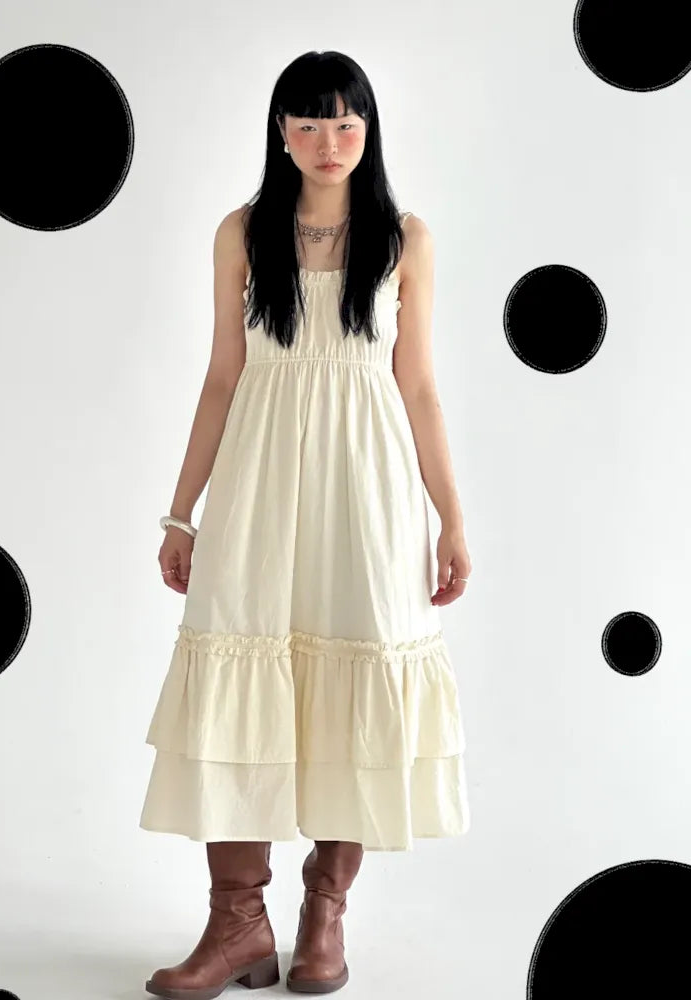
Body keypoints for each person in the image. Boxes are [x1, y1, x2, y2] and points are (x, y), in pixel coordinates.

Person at [140, 49, 473, 999]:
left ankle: (323, 916)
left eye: (346, 122)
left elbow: (419, 387)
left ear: (368, 132)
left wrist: (451, 521)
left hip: (367, 491)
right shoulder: (243, 233)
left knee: (355, 677)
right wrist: (180, 511)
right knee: (240, 674)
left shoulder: (404, 239)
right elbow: (221, 377)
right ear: (281, 133)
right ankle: (237, 924)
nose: (330, 141)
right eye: (310, 122)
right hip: (257, 483)